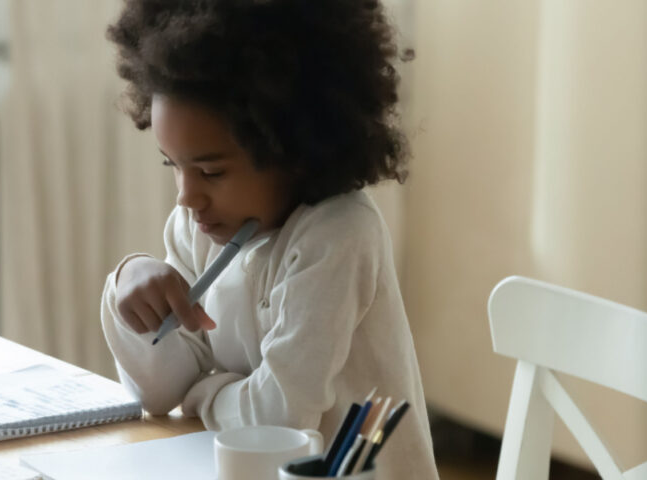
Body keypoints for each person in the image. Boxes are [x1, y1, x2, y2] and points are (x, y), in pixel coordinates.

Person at [100, 1, 438, 478]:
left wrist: (201, 395)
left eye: (210, 171)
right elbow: (158, 392)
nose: (187, 196)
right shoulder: (198, 226)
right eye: (172, 165)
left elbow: (278, 421)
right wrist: (128, 283)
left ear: (293, 147)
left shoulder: (339, 234)